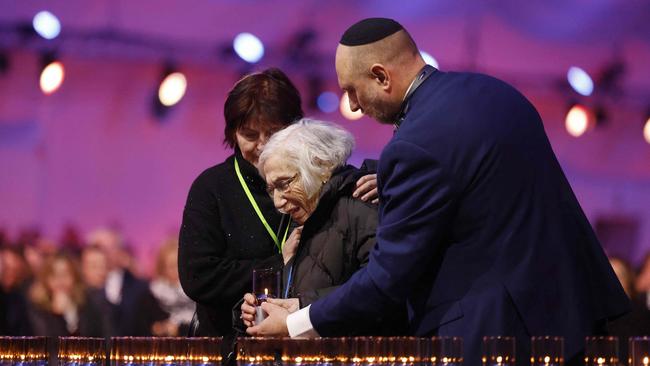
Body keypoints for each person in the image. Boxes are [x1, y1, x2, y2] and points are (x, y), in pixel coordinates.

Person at [246, 18, 630, 366]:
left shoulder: (414, 147)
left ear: (381, 76)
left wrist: (296, 322)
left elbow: (386, 280)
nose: (352, 105)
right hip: (573, 315)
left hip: (500, 336)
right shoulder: (494, 92)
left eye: (352, 90)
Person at [178, 68, 378, 337]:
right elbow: (198, 278)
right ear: (232, 133)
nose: (261, 146)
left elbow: (365, 282)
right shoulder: (212, 187)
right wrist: (275, 265)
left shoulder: (335, 191)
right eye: (249, 135)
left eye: (272, 134)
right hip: (228, 342)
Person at [239, 119, 406, 335]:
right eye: (272, 190)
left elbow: (380, 292)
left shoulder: (362, 206)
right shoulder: (304, 221)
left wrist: (300, 308)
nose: (278, 202)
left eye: (284, 184)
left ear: (321, 167)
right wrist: (259, 311)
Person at [27, 252, 107, 336]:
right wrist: (58, 315)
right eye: (55, 275)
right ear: (45, 279)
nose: (60, 280)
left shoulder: (86, 304)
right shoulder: (37, 307)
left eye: (65, 274)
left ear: (75, 277)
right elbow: (47, 342)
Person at [150, 238, 195, 336]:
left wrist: (179, 329)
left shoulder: (197, 293)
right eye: (171, 266)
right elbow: (145, 329)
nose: (176, 270)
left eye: (179, 265)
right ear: (162, 269)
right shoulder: (152, 295)